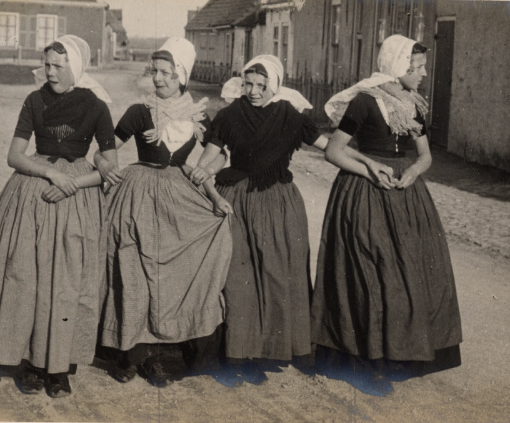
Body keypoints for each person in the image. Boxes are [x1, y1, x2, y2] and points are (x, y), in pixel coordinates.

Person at [0, 35, 117, 398]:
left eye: (58, 66)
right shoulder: (34, 100)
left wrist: (72, 183)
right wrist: (50, 173)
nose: (50, 72)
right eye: (47, 64)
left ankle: (58, 369)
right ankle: (28, 364)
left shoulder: (97, 106)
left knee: (67, 282)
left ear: (75, 67)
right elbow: (15, 155)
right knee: (25, 276)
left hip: (76, 197)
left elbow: (110, 167)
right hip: (33, 190)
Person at [310, 35, 463, 381]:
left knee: (409, 270)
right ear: (398, 66)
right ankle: (368, 358)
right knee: (370, 271)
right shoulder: (365, 101)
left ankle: (402, 353)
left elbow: (425, 156)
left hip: (405, 194)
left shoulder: (413, 104)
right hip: (364, 192)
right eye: (418, 67)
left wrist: (413, 171)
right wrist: (370, 169)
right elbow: (333, 151)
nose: (423, 74)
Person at [95, 37, 233, 387]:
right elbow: (105, 149)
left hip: (179, 195)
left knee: (173, 275)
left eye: (165, 73)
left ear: (181, 76)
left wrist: (208, 177)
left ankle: (163, 350)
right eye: (154, 71)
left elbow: (220, 154)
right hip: (139, 192)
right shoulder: (139, 111)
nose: (157, 78)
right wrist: (105, 166)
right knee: (134, 269)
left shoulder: (198, 116)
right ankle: (132, 353)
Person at [189, 55, 329, 384]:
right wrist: (204, 170)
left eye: (261, 86)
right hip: (238, 198)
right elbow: (211, 156)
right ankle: (242, 352)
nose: (253, 91)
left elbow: (328, 146)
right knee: (239, 277)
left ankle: (274, 348)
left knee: (279, 273)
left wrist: (362, 163)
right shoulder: (229, 115)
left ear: (274, 86)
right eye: (248, 84)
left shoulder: (290, 116)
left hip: (278, 201)